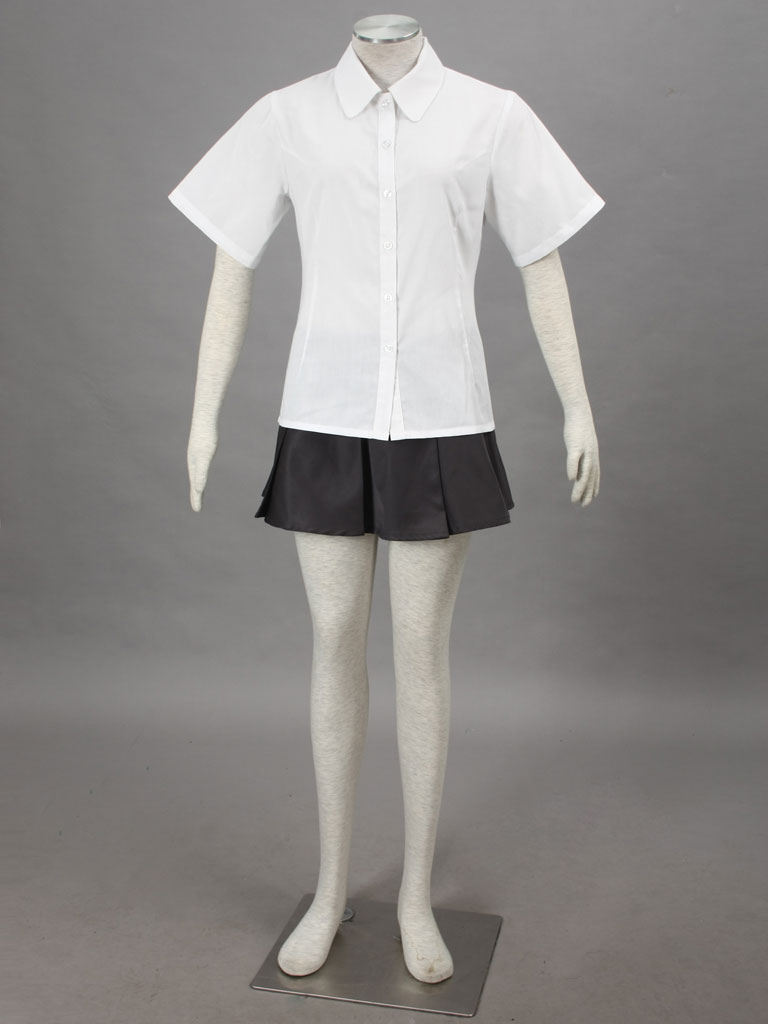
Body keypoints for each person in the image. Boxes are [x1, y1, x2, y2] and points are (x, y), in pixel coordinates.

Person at [168, 14, 603, 985]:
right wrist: (202, 416)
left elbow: (541, 260)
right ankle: (329, 889)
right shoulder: (287, 117)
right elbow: (231, 265)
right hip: (324, 412)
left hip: (442, 416)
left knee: (420, 651)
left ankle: (412, 898)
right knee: (333, 640)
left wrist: (579, 404)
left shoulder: (491, 116)